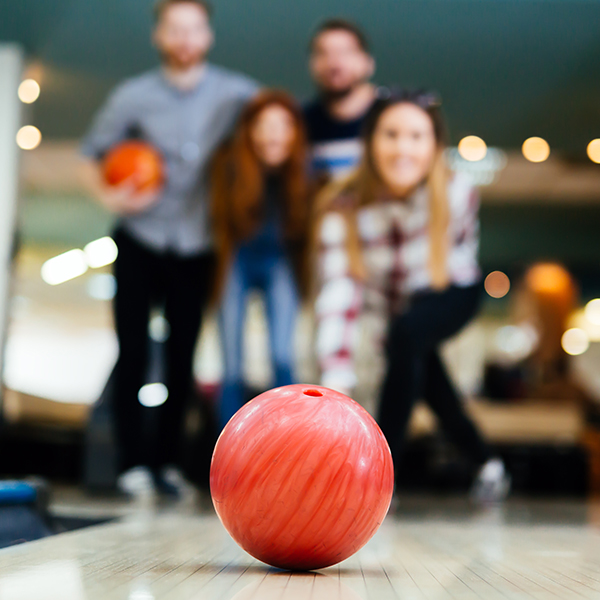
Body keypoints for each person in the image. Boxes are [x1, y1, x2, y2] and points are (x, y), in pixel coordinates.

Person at [80, 0, 259, 499]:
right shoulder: (132, 96)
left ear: (207, 36)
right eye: (174, 30)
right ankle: (132, 463)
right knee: (132, 351)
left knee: (183, 356)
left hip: (199, 243)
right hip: (140, 237)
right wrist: (108, 194)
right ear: (159, 36)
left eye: (193, 29)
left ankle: (168, 466)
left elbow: (276, 126)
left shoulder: (237, 92)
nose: (184, 39)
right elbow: (89, 157)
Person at [313, 88, 510, 502]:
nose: (403, 148)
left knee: (407, 337)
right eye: (391, 135)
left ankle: (383, 475)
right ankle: (489, 464)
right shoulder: (341, 206)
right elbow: (338, 293)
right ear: (369, 143)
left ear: (435, 146)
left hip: (452, 290)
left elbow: (445, 268)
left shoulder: (457, 193)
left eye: (417, 137)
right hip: (399, 310)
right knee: (424, 371)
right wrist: (335, 381)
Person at [211, 91, 310, 428]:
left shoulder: (303, 172)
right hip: (237, 260)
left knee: (282, 356)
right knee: (231, 364)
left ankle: (285, 441)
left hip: (279, 262)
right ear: (249, 130)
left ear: (295, 132)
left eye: (283, 125)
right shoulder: (229, 166)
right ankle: (228, 452)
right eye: (264, 125)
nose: (273, 134)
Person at [304, 19, 377, 185]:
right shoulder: (301, 124)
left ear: (368, 63)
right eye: (322, 53)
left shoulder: (394, 116)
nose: (334, 63)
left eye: (345, 52)